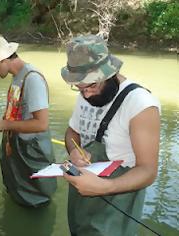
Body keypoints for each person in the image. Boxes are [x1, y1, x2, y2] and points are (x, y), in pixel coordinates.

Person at [61, 35, 160, 236]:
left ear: (109, 73)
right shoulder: (86, 93)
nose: (86, 94)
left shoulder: (140, 104)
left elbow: (148, 171)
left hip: (117, 201)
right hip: (83, 195)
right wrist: (73, 150)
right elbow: (72, 132)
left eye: (91, 86)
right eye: (79, 88)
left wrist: (105, 187)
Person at [0, 32, 56, 207]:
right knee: (19, 195)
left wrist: (3, 124)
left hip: (32, 152)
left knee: (37, 199)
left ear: (2, 60)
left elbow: (42, 124)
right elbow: (20, 113)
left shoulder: (32, 78)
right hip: (18, 148)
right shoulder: (18, 77)